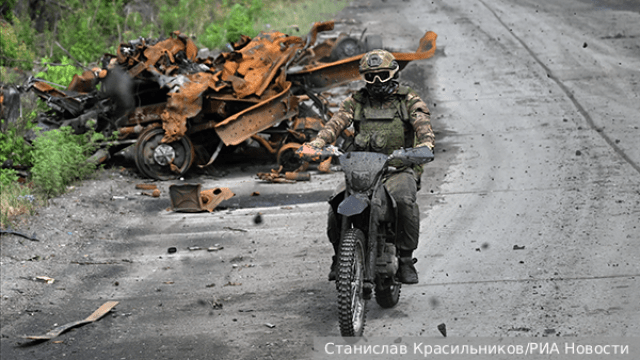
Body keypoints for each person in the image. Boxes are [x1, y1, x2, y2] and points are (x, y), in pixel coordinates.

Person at [305, 49, 435, 284]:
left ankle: (405, 259)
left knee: (405, 201)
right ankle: (339, 257)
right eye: (371, 76)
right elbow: (337, 122)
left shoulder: (407, 100)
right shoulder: (357, 101)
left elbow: (422, 123)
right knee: (337, 203)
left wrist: (425, 145)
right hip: (363, 172)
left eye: (383, 75)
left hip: (397, 170)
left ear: (393, 74)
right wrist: (319, 141)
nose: (376, 82)